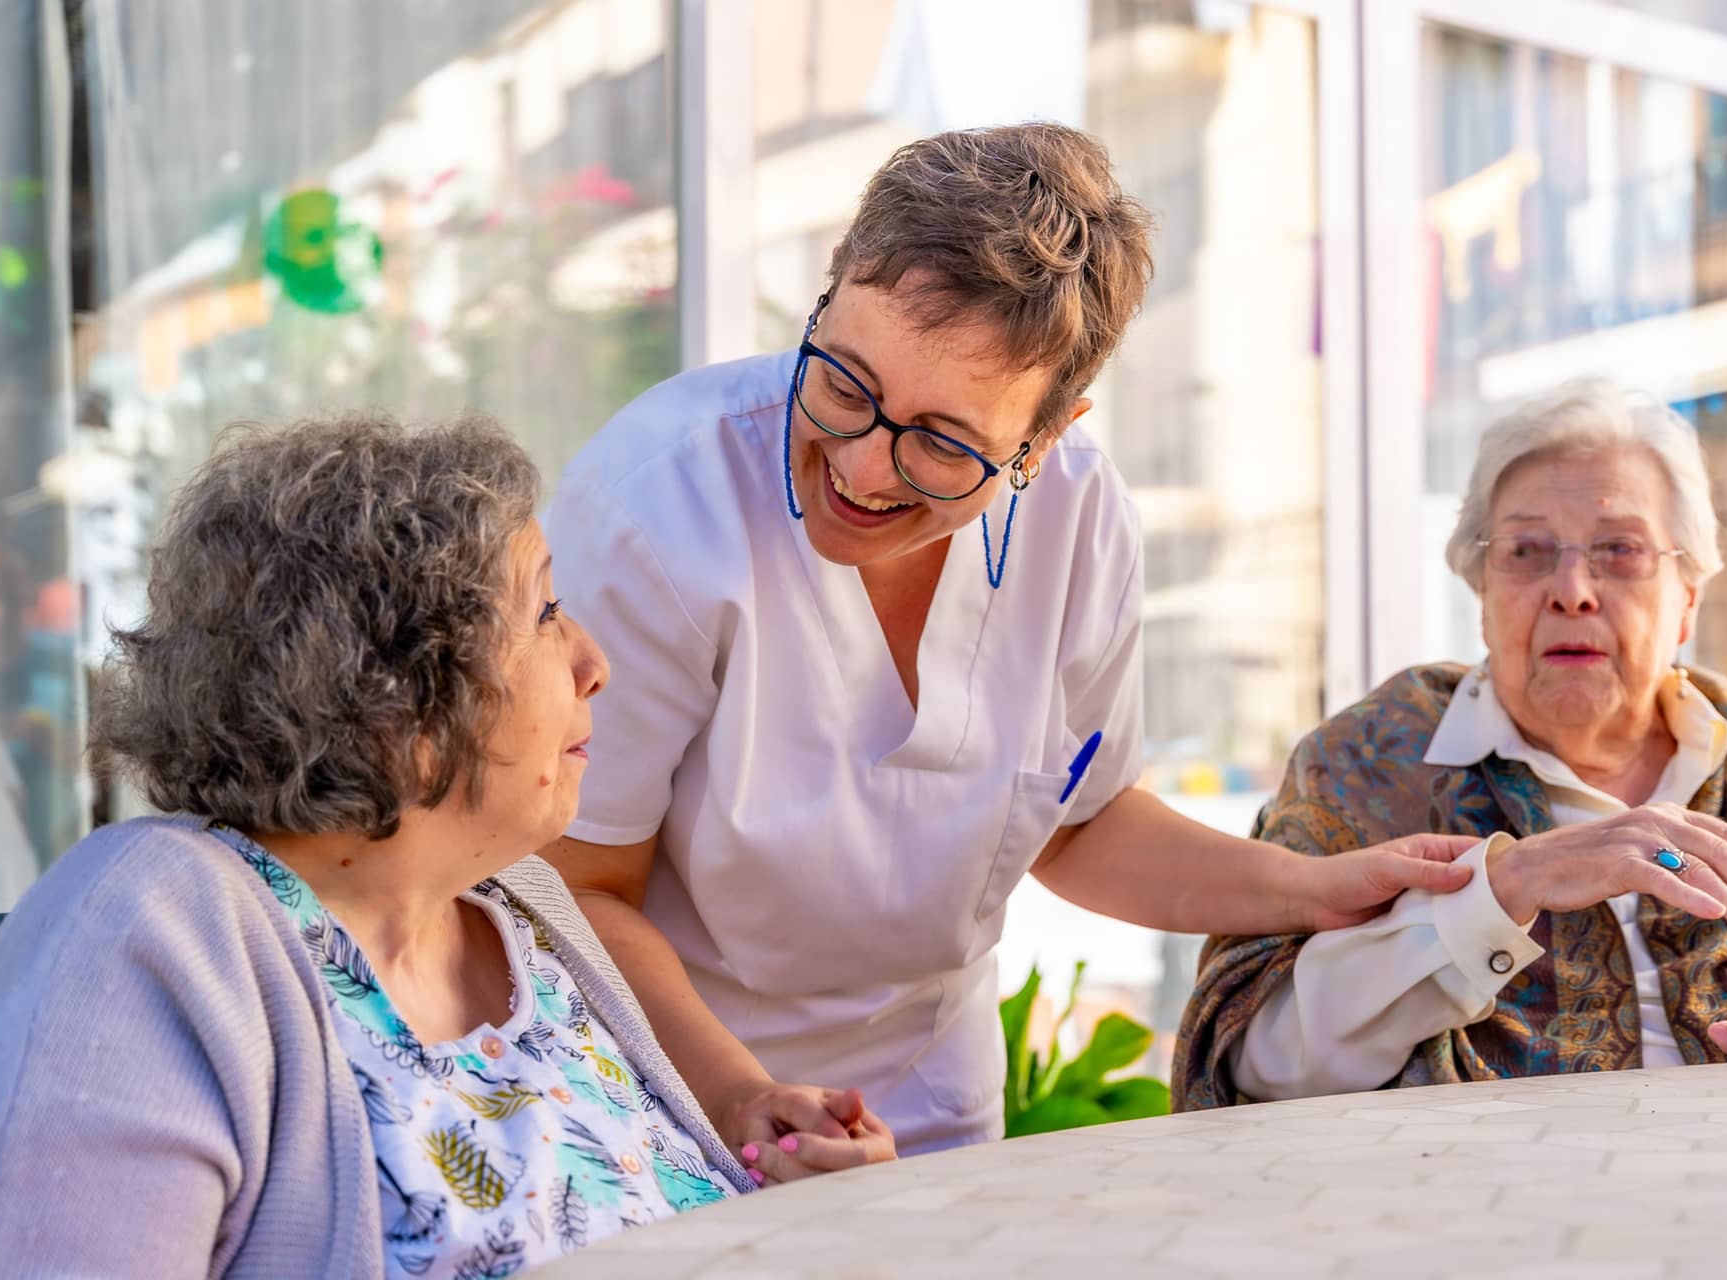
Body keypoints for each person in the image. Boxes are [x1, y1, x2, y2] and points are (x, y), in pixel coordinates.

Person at [542, 121, 1475, 1154]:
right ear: (827, 289)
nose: (859, 467)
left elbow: (1079, 826)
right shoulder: (655, 507)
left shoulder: (1080, 520)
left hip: (929, 1100)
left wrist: (1313, 886)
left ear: (1048, 435)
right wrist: (738, 1096)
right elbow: (578, 887)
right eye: (844, 381)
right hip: (659, 1093)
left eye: (944, 443)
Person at [0, 413, 891, 1278]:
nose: (593, 663)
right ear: (396, 704)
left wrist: (777, 1171)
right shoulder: (149, 928)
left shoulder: (521, 913)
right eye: (545, 612)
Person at [1175, 379, 1727, 1107]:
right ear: (1482, 592)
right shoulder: (1372, 759)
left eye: (1620, 551)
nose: (1573, 591)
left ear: (1688, 596)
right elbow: (1252, 1059)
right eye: (1527, 552)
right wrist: (1496, 890)